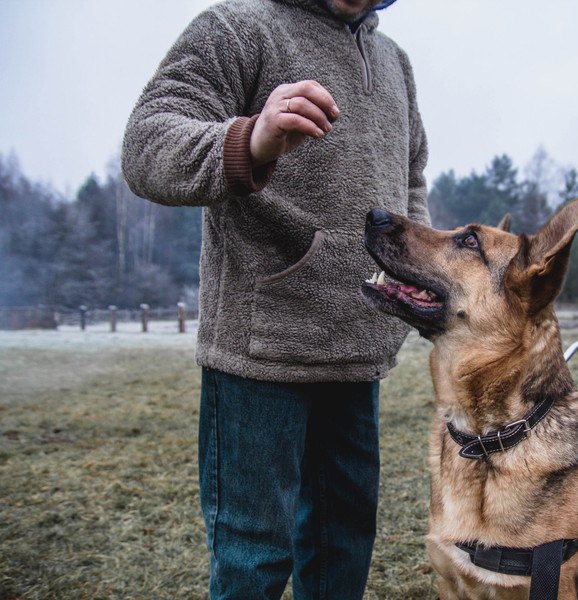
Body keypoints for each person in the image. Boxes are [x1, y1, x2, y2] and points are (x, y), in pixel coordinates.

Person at [121, 0, 428, 598]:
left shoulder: (396, 62)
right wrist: (251, 139)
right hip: (260, 355)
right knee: (253, 560)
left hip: (359, 350)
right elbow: (145, 144)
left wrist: (416, 273)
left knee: (343, 552)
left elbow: (411, 177)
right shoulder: (239, 26)